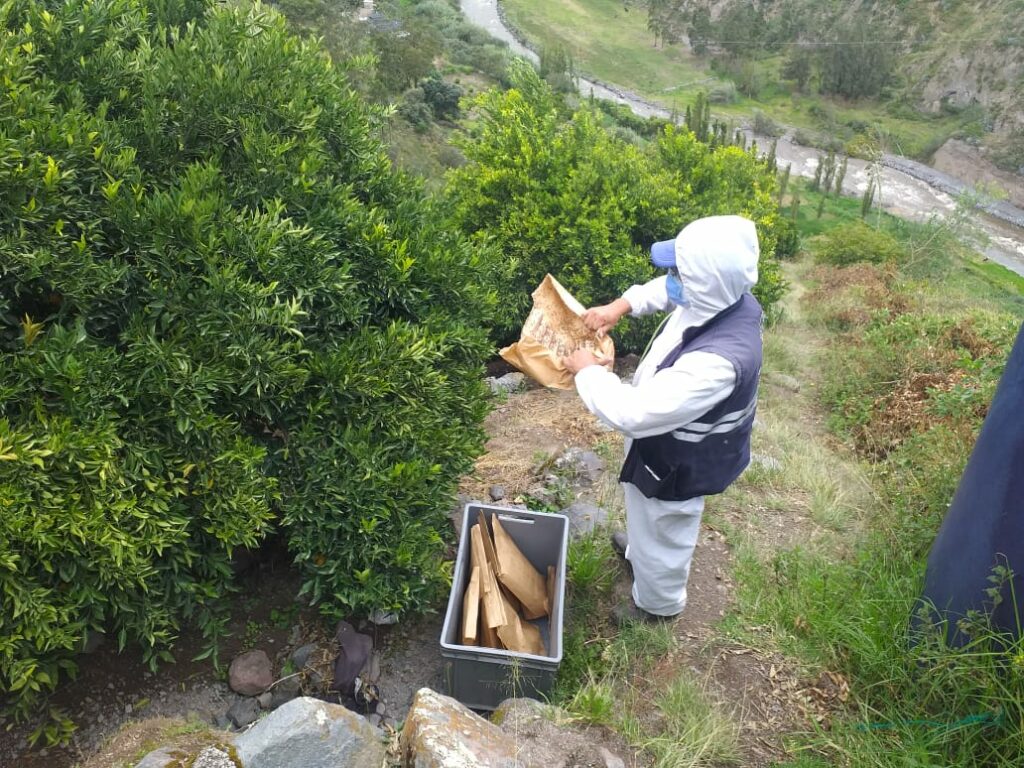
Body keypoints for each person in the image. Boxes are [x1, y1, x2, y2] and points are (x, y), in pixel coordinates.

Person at [562, 215, 763, 624]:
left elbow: (632, 413)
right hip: (662, 441)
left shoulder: (718, 363)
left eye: (679, 274)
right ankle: (640, 551)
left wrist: (587, 370)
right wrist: (621, 306)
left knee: (666, 530)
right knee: (645, 516)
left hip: (680, 461)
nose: (671, 279)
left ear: (703, 283)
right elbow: (669, 291)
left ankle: (658, 605)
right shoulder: (725, 297)